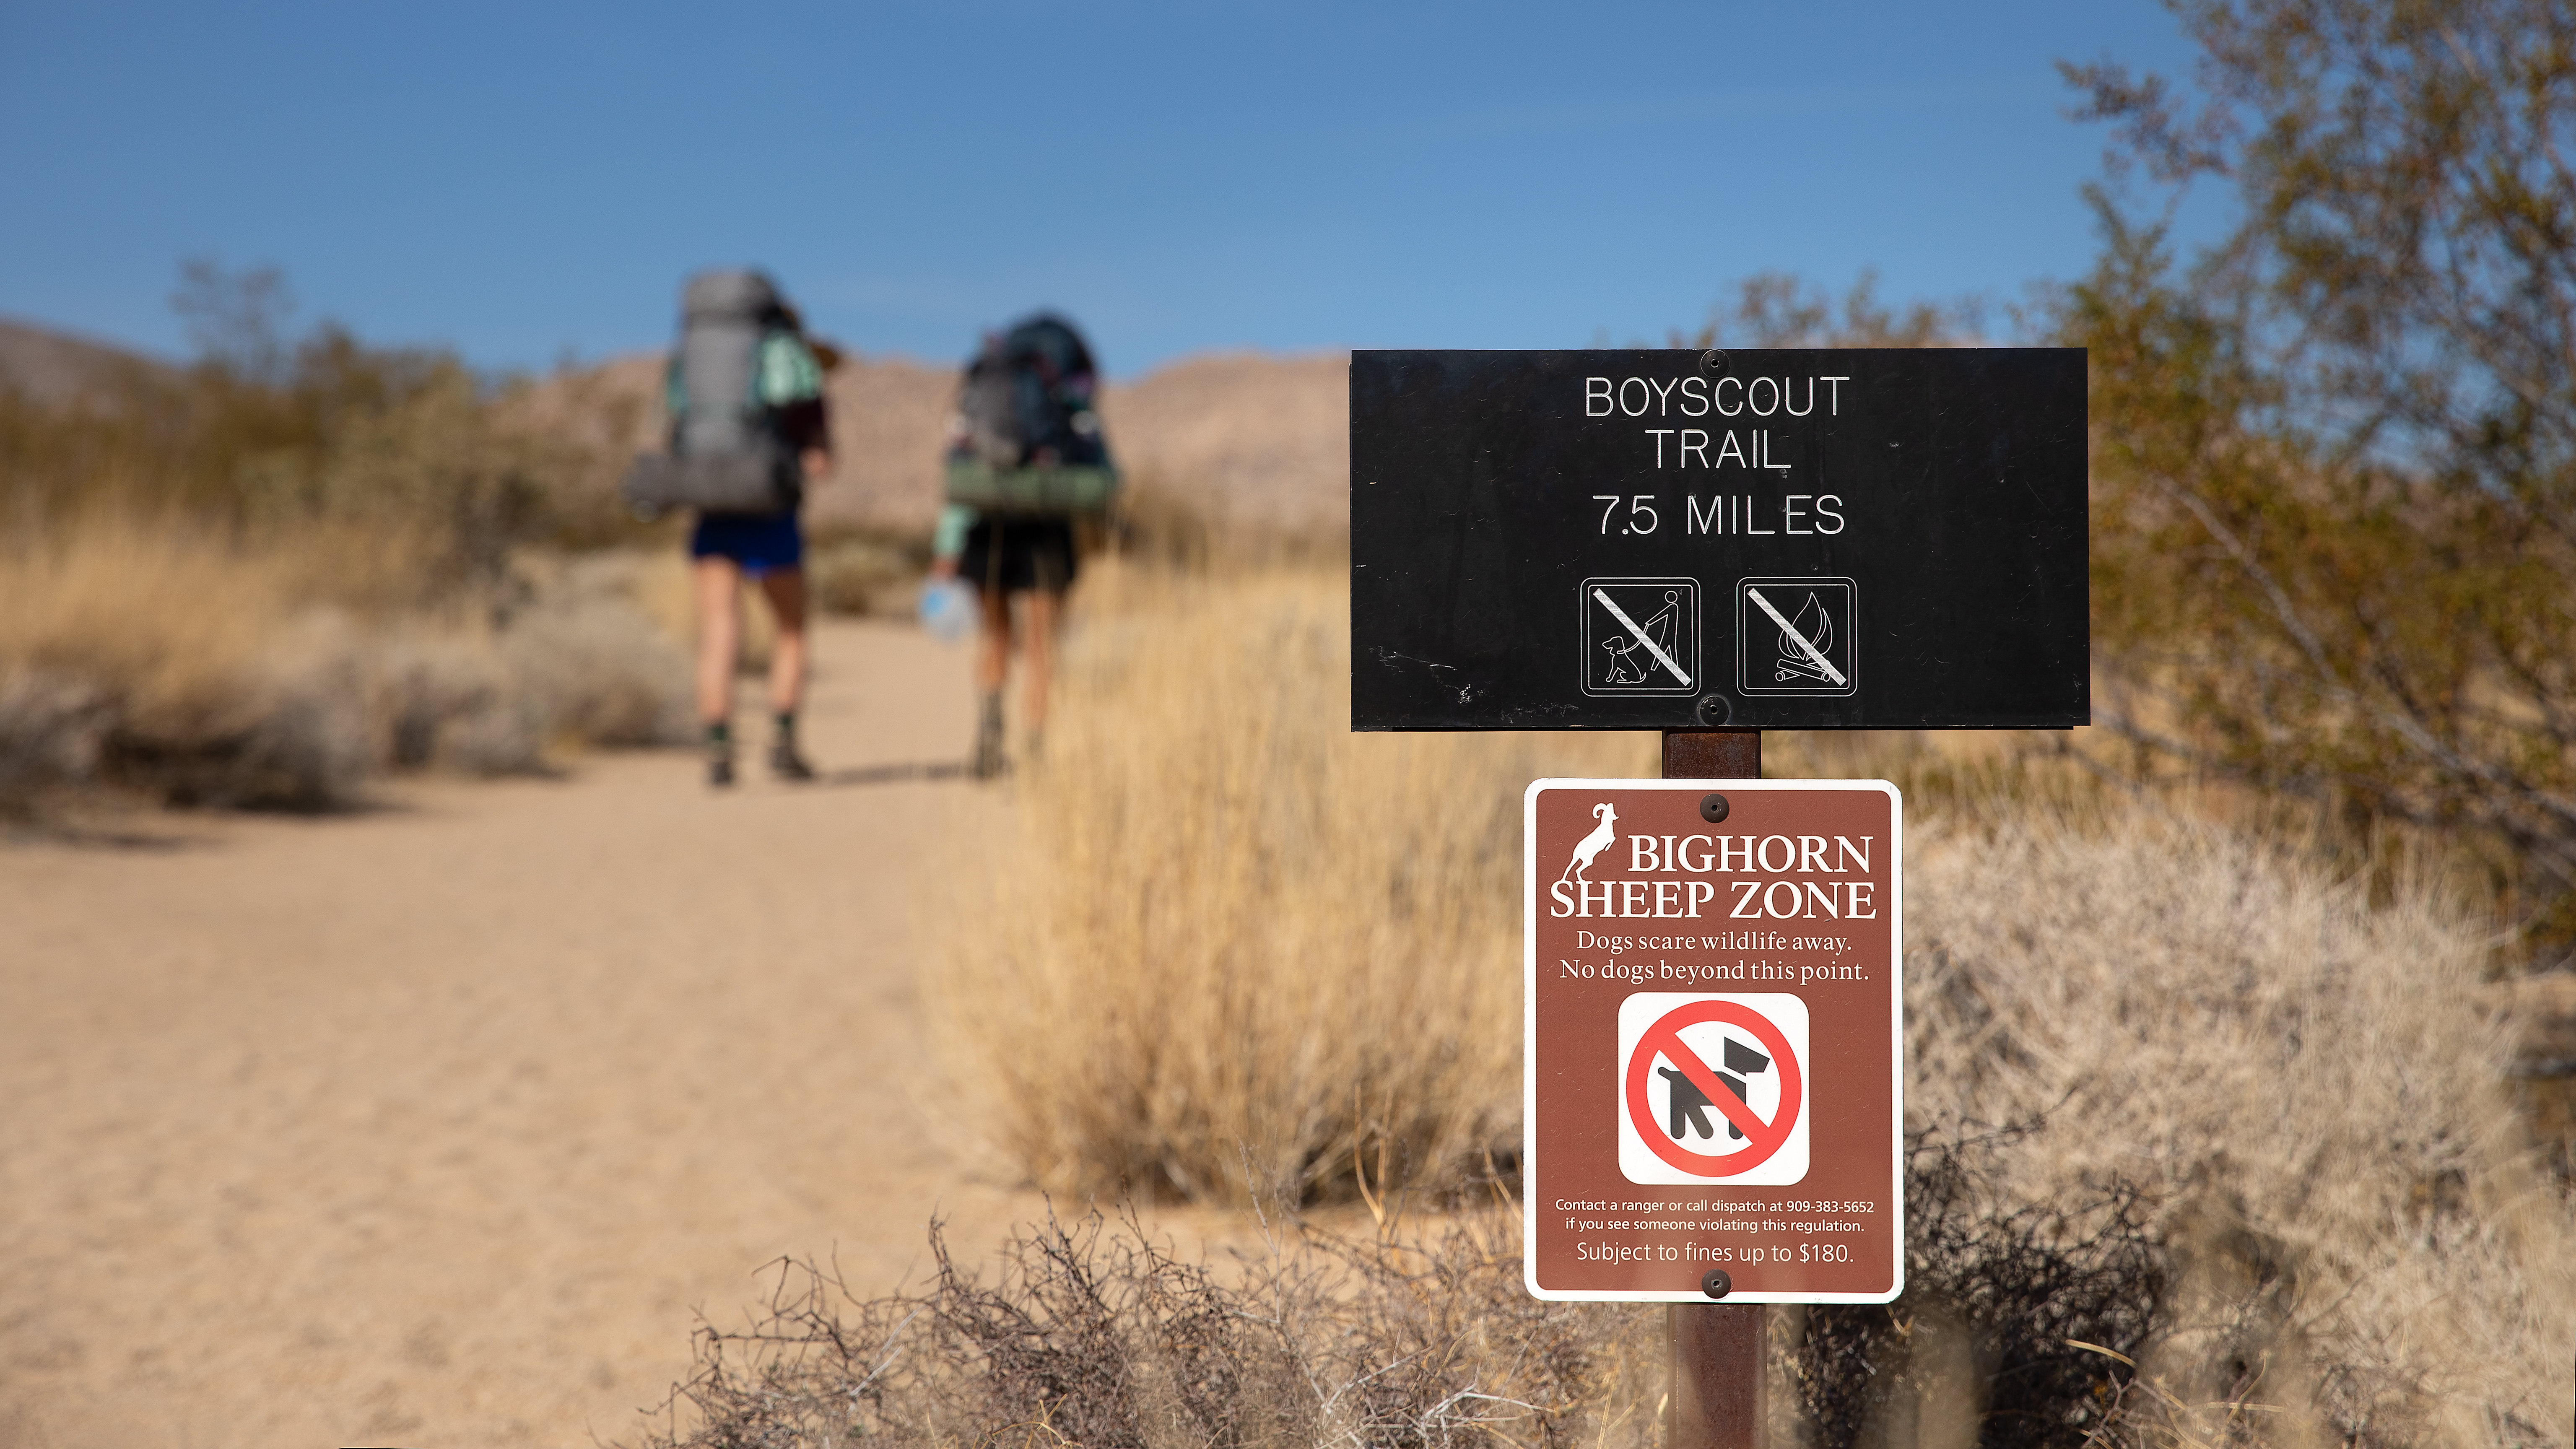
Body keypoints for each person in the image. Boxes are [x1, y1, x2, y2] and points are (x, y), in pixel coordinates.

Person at [665, 270, 835, 787]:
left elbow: (673, 429)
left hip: (710, 508)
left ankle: (718, 754)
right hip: (769, 509)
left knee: (720, 632)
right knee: (791, 629)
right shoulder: (790, 359)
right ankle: (783, 743)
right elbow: (820, 460)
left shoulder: (692, 357)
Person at [929, 314, 1112, 778]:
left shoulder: (986, 379)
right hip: (1047, 529)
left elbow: (959, 463)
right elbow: (1098, 465)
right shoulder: (1066, 386)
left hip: (987, 524)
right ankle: (1035, 749)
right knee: (1042, 646)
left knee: (994, 636)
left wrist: (947, 548)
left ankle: (989, 738)